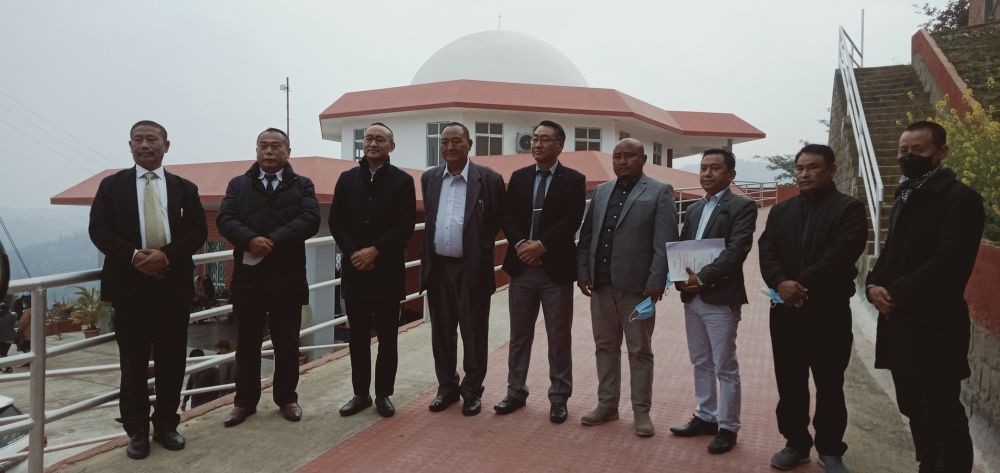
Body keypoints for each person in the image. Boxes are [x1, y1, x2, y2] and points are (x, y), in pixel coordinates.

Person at [866, 121, 984, 473]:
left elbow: (949, 262)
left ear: (941, 153)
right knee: (913, 407)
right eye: (903, 150)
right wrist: (872, 285)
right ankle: (928, 464)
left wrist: (896, 292)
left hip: (936, 326)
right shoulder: (906, 195)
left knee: (942, 409)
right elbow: (890, 252)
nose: (908, 157)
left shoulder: (961, 199)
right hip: (900, 323)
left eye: (917, 150)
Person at [88, 120, 207, 460]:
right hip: (130, 289)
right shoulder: (111, 187)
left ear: (166, 145)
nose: (145, 145)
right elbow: (99, 230)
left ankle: (167, 425)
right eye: (138, 140)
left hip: (173, 288)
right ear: (130, 146)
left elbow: (197, 231)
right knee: (134, 364)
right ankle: (137, 431)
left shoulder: (185, 188)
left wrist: (165, 256)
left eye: (152, 139)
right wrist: (134, 256)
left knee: (172, 361)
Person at [758, 144, 867, 473]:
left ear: (832, 170)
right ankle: (796, 443)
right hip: (786, 313)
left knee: (830, 383)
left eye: (813, 167)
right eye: (800, 168)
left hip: (829, 312)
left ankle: (831, 448)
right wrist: (780, 282)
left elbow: (840, 254)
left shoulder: (849, 209)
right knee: (789, 382)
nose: (804, 174)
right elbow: (767, 251)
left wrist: (797, 285)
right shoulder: (782, 211)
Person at [216, 128, 320, 428]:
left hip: (286, 279)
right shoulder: (239, 185)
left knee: (287, 343)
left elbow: (310, 219)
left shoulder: (302, 185)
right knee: (247, 344)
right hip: (249, 279)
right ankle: (244, 403)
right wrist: (249, 240)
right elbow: (225, 219)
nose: (269, 151)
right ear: (256, 150)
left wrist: (272, 239)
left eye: (276, 146)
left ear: (288, 151)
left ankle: (287, 398)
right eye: (263, 146)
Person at [576, 138, 678, 437]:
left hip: (638, 290)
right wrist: (583, 272)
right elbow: (587, 236)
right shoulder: (602, 191)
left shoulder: (660, 192)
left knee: (639, 350)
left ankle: (641, 412)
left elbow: (665, 243)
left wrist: (656, 282)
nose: (622, 161)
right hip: (601, 285)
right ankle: (607, 404)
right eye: (617, 156)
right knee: (605, 347)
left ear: (643, 159)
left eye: (629, 156)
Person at [496, 120, 585, 424]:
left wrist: (542, 246)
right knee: (519, 335)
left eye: (545, 139)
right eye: (534, 139)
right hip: (521, 269)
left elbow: (572, 219)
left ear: (560, 145)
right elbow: (507, 214)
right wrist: (522, 243)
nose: (537, 144)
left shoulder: (574, 180)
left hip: (555, 271)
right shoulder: (519, 178)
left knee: (558, 337)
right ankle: (515, 391)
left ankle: (559, 397)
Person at [669, 149, 757, 454]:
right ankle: (706, 416)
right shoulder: (693, 209)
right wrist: (679, 276)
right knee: (700, 360)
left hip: (719, 296)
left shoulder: (742, 207)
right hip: (692, 297)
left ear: (730, 174)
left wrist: (702, 278)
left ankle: (728, 426)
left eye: (715, 168)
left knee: (724, 365)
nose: (707, 173)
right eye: (704, 168)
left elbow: (736, 251)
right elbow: (683, 247)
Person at [329, 122, 416, 418]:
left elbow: (405, 225)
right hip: (355, 270)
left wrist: (374, 250)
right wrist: (355, 252)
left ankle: (383, 394)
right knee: (358, 337)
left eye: (380, 139)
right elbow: (336, 222)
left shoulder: (402, 181)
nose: (373, 143)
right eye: (368, 138)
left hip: (387, 268)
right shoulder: (347, 179)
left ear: (392, 146)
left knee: (388, 336)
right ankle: (360, 393)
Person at [420, 122, 505, 416]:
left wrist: (474, 247)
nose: (450, 147)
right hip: (438, 268)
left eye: (456, 141)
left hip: (472, 269)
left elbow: (493, 222)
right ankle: (447, 388)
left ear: (470, 145)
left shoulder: (489, 179)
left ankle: (472, 391)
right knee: (442, 333)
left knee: (473, 332)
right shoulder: (430, 178)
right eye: (444, 142)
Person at [0, 303, 16, 373]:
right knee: (3, 353)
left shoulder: (1, 316)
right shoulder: (12, 316)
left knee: (3, 353)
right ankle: (3, 366)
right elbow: (15, 317)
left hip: (2, 338)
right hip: (10, 338)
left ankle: (8, 367)